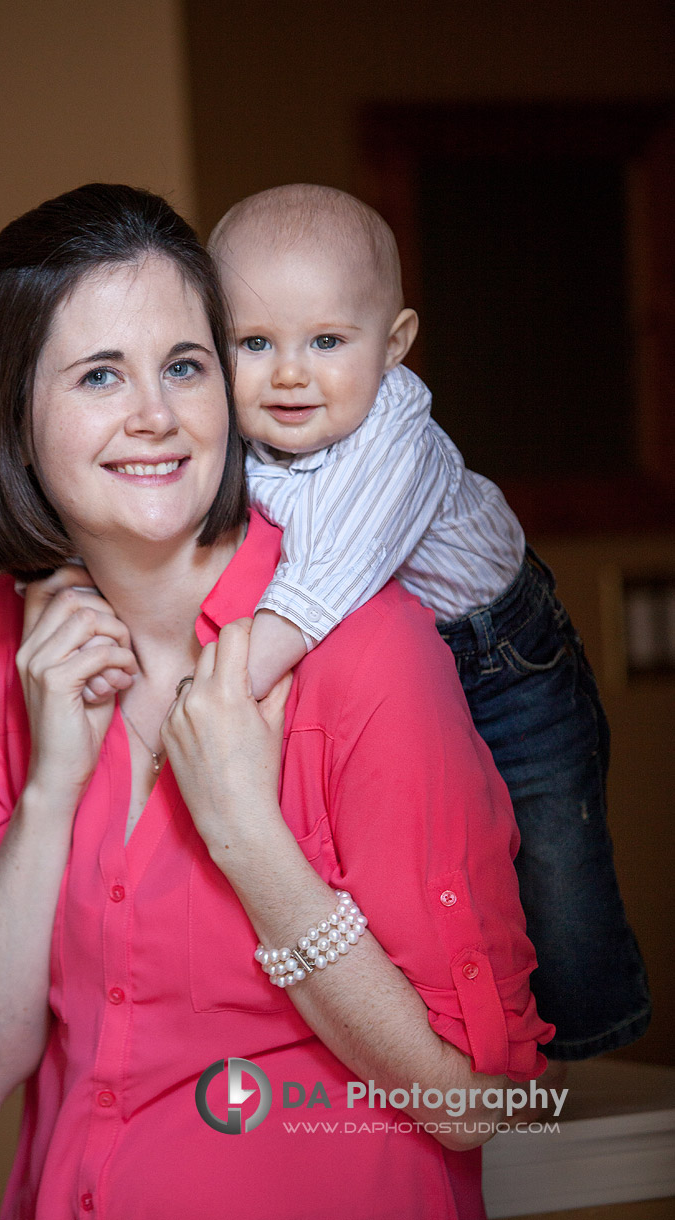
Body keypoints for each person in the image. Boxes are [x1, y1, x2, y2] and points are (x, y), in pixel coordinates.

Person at [0, 183, 553, 1220]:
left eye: (185, 364)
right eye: (101, 374)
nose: (157, 414)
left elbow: (477, 1103)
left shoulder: (365, 648)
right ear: (12, 410)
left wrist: (246, 834)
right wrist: (51, 788)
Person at [208, 183, 651, 1064]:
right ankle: (452, 1032)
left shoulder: (391, 433)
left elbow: (321, 580)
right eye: (254, 344)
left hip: (506, 652)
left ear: (394, 345)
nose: (289, 372)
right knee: (438, 862)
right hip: (415, 659)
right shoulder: (247, 431)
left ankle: (589, 1048)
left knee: (553, 846)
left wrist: (219, 688)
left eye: (327, 341)